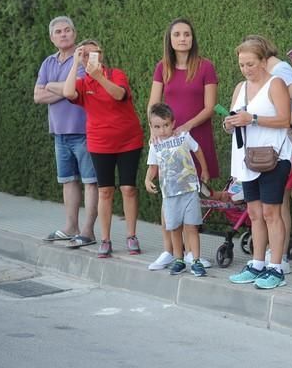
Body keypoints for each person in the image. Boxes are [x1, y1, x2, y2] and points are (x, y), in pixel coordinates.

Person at [146, 18, 219, 270]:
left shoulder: (206, 67)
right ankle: (169, 251)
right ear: (170, 38)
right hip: (167, 145)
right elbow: (153, 105)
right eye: (177, 34)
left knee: (191, 199)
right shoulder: (162, 67)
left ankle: (191, 254)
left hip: (195, 139)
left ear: (192, 38)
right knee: (169, 197)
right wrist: (154, 132)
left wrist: (186, 126)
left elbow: (210, 107)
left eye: (187, 34)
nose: (182, 38)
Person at [62, 39, 144, 258]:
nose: (90, 58)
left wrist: (99, 76)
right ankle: (106, 239)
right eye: (85, 54)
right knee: (105, 190)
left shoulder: (116, 74)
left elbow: (119, 95)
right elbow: (68, 93)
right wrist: (74, 63)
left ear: (101, 54)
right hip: (100, 142)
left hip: (129, 139)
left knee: (128, 188)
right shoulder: (81, 82)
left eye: (94, 53)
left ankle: (131, 235)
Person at [225, 35, 292, 290]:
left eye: (251, 64)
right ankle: (257, 263)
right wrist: (229, 123)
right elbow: (233, 119)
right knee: (254, 213)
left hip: (273, 157)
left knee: (271, 212)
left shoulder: (276, 84)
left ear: (264, 61)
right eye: (242, 65)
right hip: (247, 159)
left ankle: (276, 267)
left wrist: (251, 118)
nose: (246, 69)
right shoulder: (240, 87)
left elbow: (285, 120)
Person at [242, 35, 292, 275]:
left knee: (277, 208)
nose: (246, 67)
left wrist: (291, 125)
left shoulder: (279, 71)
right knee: (269, 209)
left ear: (261, 56)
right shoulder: (249, 84)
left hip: (281, 149)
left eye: (250, 61)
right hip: (260, 152)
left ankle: (277, 259)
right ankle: (268, 256)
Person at [34, 16, 98, 247]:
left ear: (75, 33)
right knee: (68, 181)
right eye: (58, 32)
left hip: (84, 131)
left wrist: (52, 86)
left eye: (67, 30)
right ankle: (71, 227)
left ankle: (88, 232)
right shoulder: (48, 63)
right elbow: (37, 96)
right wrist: (65, 89)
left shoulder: (84, 60)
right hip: (59, 133)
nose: (63, 34)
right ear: (52, 38)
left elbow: (78, 90)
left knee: (91, 182)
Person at [145, 103, 210, 277]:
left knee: (191, 227)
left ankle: (196, 260)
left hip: (189, 191)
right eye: (157, 127)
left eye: (166, 125)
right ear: (151, 127)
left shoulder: (183, 136)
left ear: (173, 123)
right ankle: (179, 259)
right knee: (174, 228)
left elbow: (197, 150)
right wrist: (147, 179)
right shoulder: (154, 146)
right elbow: (153, 166)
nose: (162, 130)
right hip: (170, 195)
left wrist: (204, 169)